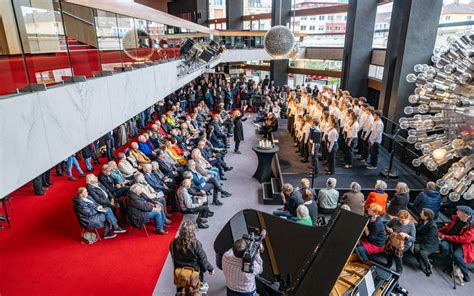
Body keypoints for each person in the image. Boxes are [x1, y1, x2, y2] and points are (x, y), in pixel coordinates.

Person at [170, 221, 215, 294]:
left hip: (180, 273)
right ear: (192, 232)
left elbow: (173, 257)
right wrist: (210, 269)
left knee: (180, 291)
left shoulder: (173, 243)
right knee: (194, 291)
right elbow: (202, 259)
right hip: (193, 273)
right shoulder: (196, 244)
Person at [438, 205, 473, 282]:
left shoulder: (472, 226)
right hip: (449, 239)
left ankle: (465, 273)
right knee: (444, 247)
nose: (457, 212)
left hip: (463, 244)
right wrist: (439, 232)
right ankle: (449, 266)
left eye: (459, 211)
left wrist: (446, 237)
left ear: (465, 215)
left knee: (457, 255)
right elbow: (447, 228)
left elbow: (464, 240)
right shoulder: (456, 219)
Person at [413, 208, 439, 276]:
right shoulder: (421, 220)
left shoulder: (432, 226)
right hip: (420, 239)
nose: (420, 214)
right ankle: (423, 263)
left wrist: (416, 239)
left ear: (426, 216)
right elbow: (418, 228)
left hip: (430, 243)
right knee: (415, 249)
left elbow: (429, 239)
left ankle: (426, 266)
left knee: (422, 253)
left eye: (422, 213)